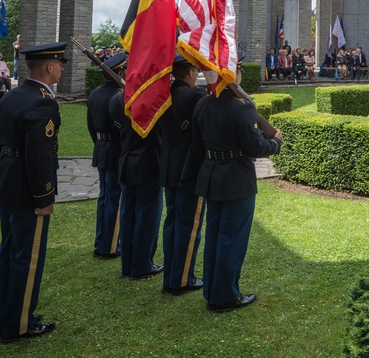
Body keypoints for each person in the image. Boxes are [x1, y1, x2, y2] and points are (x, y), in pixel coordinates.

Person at [0, 41, 68, 344]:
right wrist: (44, 197)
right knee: (27, 258)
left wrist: (7, 174)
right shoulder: (43, 102)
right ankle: (18, 325)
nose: (61, 68)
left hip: (8, 182)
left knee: (9, 252)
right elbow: (39, 156)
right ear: (49, 67)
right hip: (28, 191)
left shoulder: (12, 95)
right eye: (60, 64)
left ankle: (5, 319)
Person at [190, 65, 281, 312]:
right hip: (236, 180)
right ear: (233, 76)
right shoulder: (241, 110)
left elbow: (197, 146)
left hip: (212, 176)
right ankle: (225, 295)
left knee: (215, 237)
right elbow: (256, 148)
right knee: (232, 239)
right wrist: (275, 142)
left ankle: (212, 290)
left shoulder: (202, 104)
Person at [158, 55, 208, 295]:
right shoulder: (195, 96)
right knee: (189, 226)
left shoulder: (164, 93)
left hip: (169, 166)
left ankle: (171, 275)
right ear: (189, 72)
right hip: (189, 169)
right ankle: (182, 279)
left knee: (173, 223)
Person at [109, 68, 163, 281]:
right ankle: (142, 265)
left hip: (126, 162)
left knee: (128, 215)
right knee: (147, 217)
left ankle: (128, 263)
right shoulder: (152, 98)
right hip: (148, 163)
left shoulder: (118, 98)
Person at [86, 53, 126, 260]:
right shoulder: (118, 97)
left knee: (104, 197)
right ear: (119, 72)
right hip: (115, 149)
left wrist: (100, 143)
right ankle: (109, 246)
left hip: (101, 147)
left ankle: (101, 240)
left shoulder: (94, 94)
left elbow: (91, 126)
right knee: (114, 199)